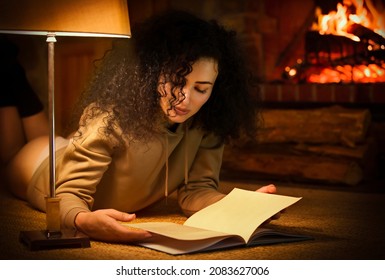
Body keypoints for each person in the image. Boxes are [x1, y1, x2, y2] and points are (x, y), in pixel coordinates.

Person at [0, 11, 279, 243]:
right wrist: (82, 218)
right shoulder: (110, 120)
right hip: (40, 165)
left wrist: (241, 207)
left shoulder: (206, 124)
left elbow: (197, 191)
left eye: (201, 88)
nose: (185, 99)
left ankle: (11, 76)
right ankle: (10, 72)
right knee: (10, 154)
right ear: (151, 73)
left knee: (61, 138)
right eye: (177, 81)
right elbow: (67, 193)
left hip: (78, 147)